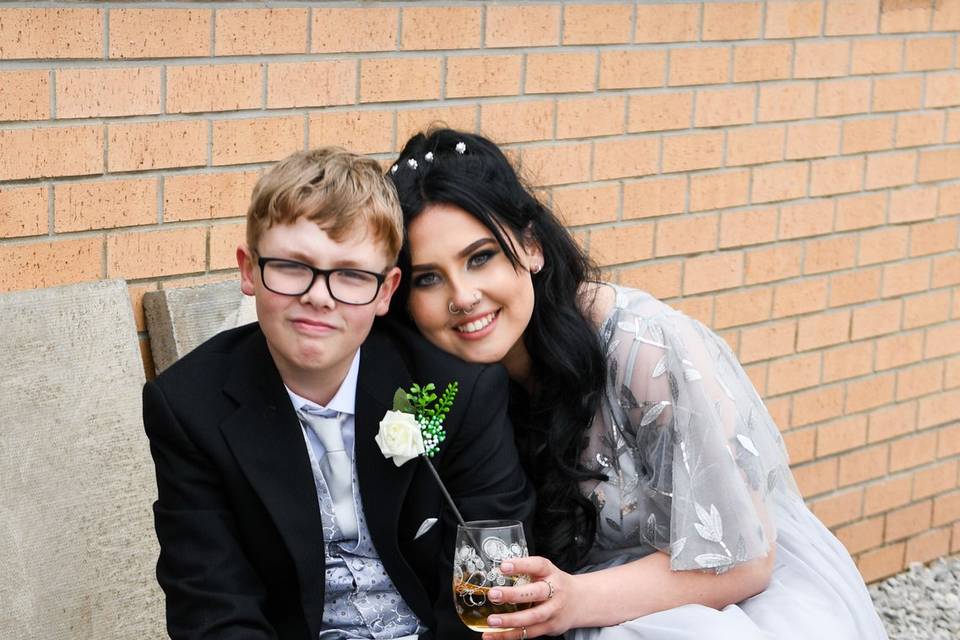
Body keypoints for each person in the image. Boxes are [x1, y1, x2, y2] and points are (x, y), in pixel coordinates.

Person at [387, 129, 889, 640]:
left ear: (531, 245)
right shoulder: (433, 388)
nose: (463, 296)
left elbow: (746, 561)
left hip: (719, 591)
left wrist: (576, 599)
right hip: (571, 601)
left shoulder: (642, 347)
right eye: (429, 278)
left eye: (480, 257)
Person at [142, 147, 535, 640]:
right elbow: (213, 609)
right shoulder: (188, 407)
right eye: (291, 266)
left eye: (351, 274)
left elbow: (493, 588)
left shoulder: (458, 389)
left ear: (387, 290)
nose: (319, 296)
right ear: (248, 269)